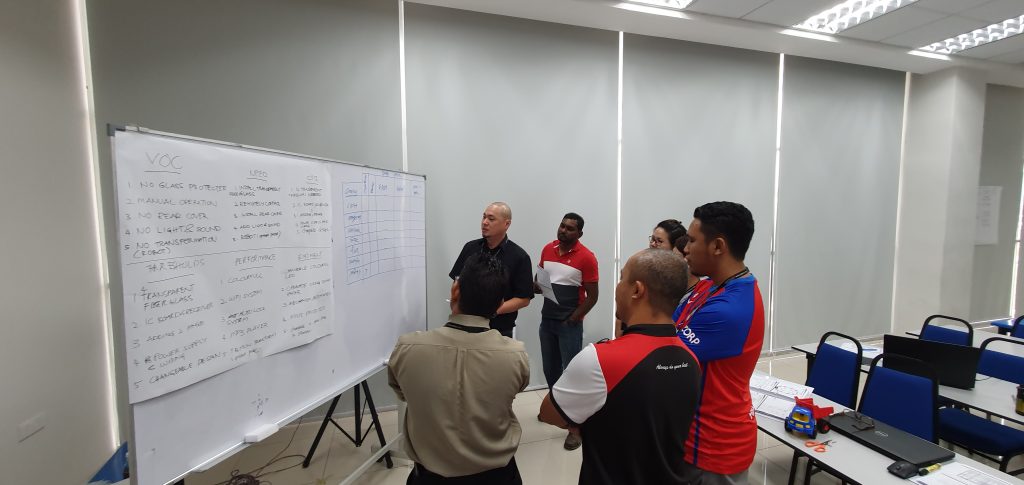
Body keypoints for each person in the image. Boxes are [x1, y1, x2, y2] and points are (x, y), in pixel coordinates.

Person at [539, 249, 701, 485]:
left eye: (622, 278)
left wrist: (583, 424)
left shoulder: (600, 359)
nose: (617, 287)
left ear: (637, 290)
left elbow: (548, 413)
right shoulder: (691, 359)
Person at [389, 253, 530, 484]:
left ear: (455, 291)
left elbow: (403, 392)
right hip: (497, 476)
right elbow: (514, 391)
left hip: (429, 477)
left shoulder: (407, 348)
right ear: (499, 305)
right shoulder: (515, 355)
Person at [677, 201, 765, 485]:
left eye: (692, 241)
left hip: (713, 446)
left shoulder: (730, 309)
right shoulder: (709, 285)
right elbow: (669, 326)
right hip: (692, 435)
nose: (685, 248)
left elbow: (665, 353)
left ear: (717, 246)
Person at [535, 212, 599, 451]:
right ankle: (557, 411)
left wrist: (574, 318)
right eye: (562, 226)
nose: (563, 230)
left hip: (569, 324)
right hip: (547, 320)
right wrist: (533, 285)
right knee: (550, 369)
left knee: (572, 374)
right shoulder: (547, 249)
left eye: (570, 228)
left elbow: (593, 296)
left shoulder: (586, 257)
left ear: (579, 233)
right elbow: (540, 282)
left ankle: (575, 428)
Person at [450, 202, 534, 338]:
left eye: (491, 219)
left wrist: (491, 311)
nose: (484, 222)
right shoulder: (470, 248)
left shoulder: (519, 257)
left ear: (506, 224)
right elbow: (457, 280)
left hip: (499, 329)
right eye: (484, 217)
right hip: (465, 324)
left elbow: (523, 299)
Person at [672, 233, 711, 324]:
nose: (670, 263)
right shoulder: (673, 289)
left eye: (675, 258)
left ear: (688, 260)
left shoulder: (702, 295)